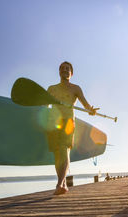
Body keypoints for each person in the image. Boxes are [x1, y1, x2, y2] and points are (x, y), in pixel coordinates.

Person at [47, 61, 98, 195]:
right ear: (59, 72)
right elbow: (44, 106)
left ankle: (58, 184)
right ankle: (63, 184)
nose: (65, 70)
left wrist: (91, 110)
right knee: (58, 155)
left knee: (64, 149)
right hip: (53, 123)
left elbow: (86, 105)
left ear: (72, 73)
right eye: (62, 68)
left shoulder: (76, 88)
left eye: (67, 69)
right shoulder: (51, 89)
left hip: (68, 122)